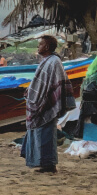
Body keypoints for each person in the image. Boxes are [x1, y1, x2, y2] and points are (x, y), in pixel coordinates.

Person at [20, 35, 76, 173]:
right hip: (40, 102)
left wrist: (43, 98)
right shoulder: (47, 61)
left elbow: (56, 84)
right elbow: (40, 83)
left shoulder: (54, 62)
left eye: (40, 44)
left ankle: (49, 165)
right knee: (39, 134)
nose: (38, 47)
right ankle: (42, 163)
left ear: (46, 46)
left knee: (45, 135)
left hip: (46, 104)